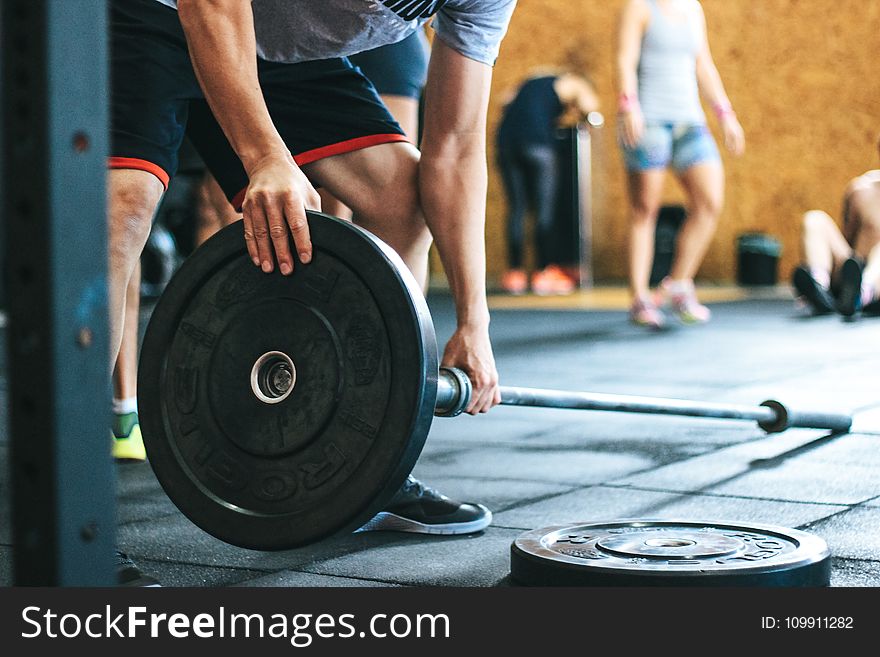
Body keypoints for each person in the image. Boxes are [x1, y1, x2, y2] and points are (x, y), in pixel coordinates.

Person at [107, 0, 517, 582]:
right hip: (157, 14)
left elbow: (455, 146)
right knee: (120, 210)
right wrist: (265, 157)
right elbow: (211, 5)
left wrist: (475, 320)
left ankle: (361, 467)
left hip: (274, 52)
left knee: (401, 202)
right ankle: (73, 510)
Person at [616, 0, 745, 329]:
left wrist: (725, 115)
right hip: (650, 122)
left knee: (709, 201)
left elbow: (703, 64)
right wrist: (629, 105)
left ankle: (679, 285)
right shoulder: (640, 7)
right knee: (645, 209)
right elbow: (625, 59)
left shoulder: (693, 9)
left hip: (690, 121)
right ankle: (640, 298)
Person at [496, 70, 600, 295]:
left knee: (517, 209)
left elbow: (503, 101)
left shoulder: (530, 81)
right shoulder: (572, 82)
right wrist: (587, 116)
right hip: (538, 144)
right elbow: (588, 106)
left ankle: (515, 274)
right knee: (545, 209)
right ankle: (544, 272)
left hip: (507, 143)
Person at [792, 144, 880, 319]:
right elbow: (847, 237)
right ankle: (819, 288)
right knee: (814, 219)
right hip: (853, 271)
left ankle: (862, 294)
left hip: (875, 283)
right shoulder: (861, 190)